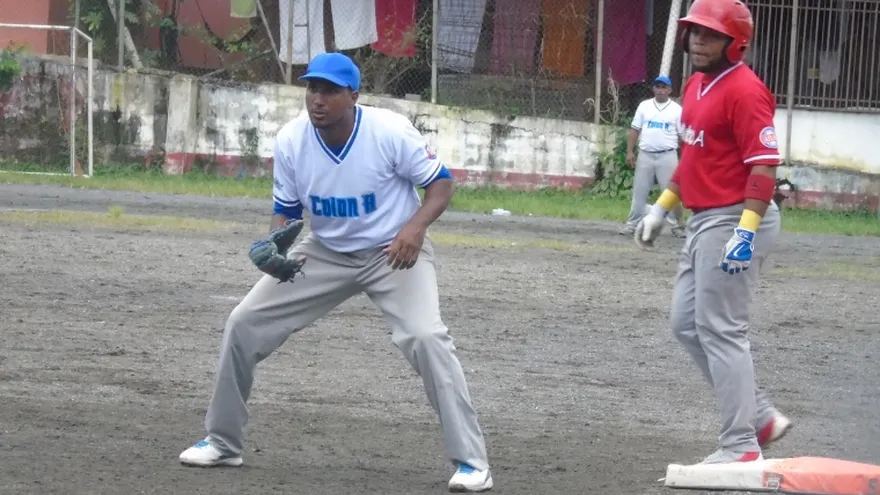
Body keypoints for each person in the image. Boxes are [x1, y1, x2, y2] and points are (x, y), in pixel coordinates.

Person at [178, 52, 494, 493]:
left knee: (426, 337)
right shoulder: (292, 140)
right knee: (243, 322)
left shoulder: (389, 131)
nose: (318, 99)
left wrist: (415, 228)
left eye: (329, 90)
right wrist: (275, 248)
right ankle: (222, 442)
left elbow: (441, 183)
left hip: (393, 252)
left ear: (354, 96)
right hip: (324, 252)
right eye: (312, 89)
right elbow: (287, 212)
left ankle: (472, 463)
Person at [634, 0, 792, 465]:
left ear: (735, 42)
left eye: (711, 34)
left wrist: (745, 233)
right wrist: (661, 208)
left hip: (736, 217)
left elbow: (764, 167)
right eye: (694, 32)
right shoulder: (696, 85)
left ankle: (741, 444)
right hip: (704, 219)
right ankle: (759, 417)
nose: (699, 41)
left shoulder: (746, 91)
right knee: (686, 324)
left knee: (721, 329)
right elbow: (694, 160)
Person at [619, 75, 685, 238]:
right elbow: (635, 130)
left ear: (669, 90)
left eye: (664, 87)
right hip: (645, 154)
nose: (661, 90)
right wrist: (630, 151)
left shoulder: (677, 110)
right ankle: (632, 224)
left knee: (671, 191)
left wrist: (684, 158)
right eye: (658, 86)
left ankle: (677, 225)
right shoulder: (644, 106)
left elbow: (682, 136)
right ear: (653, 89)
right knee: (639, 191)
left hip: (667, 154)